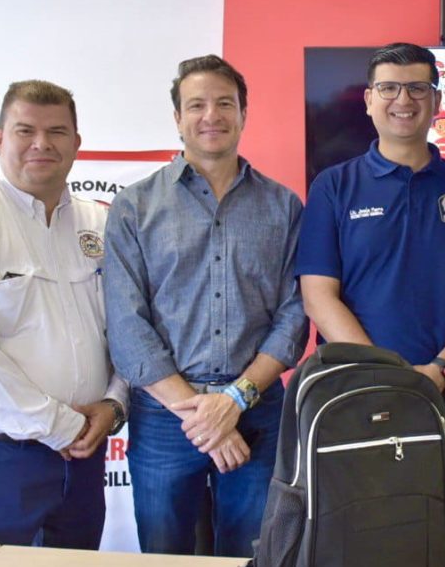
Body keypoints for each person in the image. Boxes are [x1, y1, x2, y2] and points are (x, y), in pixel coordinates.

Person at [104, 54, 307, 557]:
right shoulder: (134, 206)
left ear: (243, 112)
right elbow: (127, 324)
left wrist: (234, 401)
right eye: (196, 105)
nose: (210, 115)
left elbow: (295, 313)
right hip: (163, 419)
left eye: (224, 103)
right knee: (165, 550)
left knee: (252, 551)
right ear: (177, 118)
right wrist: (204, 418)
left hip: (257, 414)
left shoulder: (284, 206)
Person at [0, 80, 128, 548]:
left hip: (85, 454)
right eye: (25, 130)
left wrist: (113, 405)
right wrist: (61, 424)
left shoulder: (102, 222)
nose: (41, 144)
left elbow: (128, 330)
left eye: (56, 131)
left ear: (76, 142)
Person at [295, 42, 445, 502]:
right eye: (389, 88)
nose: (404, 100)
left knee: (444, 524)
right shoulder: (334, 186)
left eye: (418, 88)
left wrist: (440, 369)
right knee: (355, 526)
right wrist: (384, 374)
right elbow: (318, 296)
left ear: (437, 101)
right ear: (368, 100)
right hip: (354, 391)